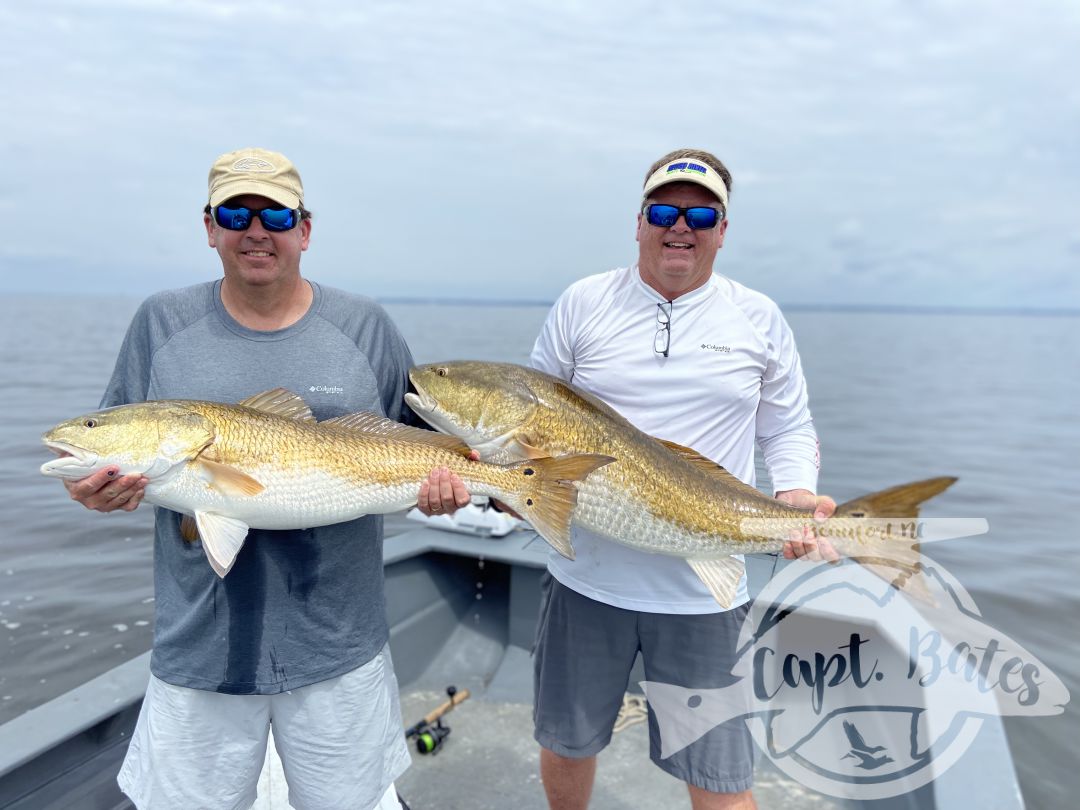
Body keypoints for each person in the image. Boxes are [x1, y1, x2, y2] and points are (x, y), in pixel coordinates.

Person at [61, 147, 469, 810]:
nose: (257, 230)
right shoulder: (160, 323)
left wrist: (456, 485)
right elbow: (105, 455)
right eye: (236, 212)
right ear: (209, 226)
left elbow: (422, 448)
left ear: (304, 230)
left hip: (341, 645)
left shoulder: (366, 325)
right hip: (199, 648)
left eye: (275, 214)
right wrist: (93, 489)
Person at [527, 148, 836, 810]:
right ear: (638, 221)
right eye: (665, 210)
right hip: (587, 577)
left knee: (722, 780)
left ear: (723, 229)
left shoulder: (758, 318)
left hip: (705, 592)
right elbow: (532, 416)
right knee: (565, 747)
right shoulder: (583, 304)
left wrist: (796, 494)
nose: (681, 227)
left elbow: (787, 428)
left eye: (701, 214)